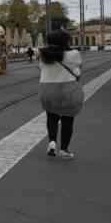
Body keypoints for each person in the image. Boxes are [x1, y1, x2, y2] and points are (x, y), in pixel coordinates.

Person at [38, 30, 83, 160]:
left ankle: (52, 142)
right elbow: (78, 69)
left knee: (51, 116)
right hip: (67, 89)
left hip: (47, 89)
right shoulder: (74, 54)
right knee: (67, 119)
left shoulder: (42, 55)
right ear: (65, 41)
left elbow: (41, 68)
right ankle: (64, 150)